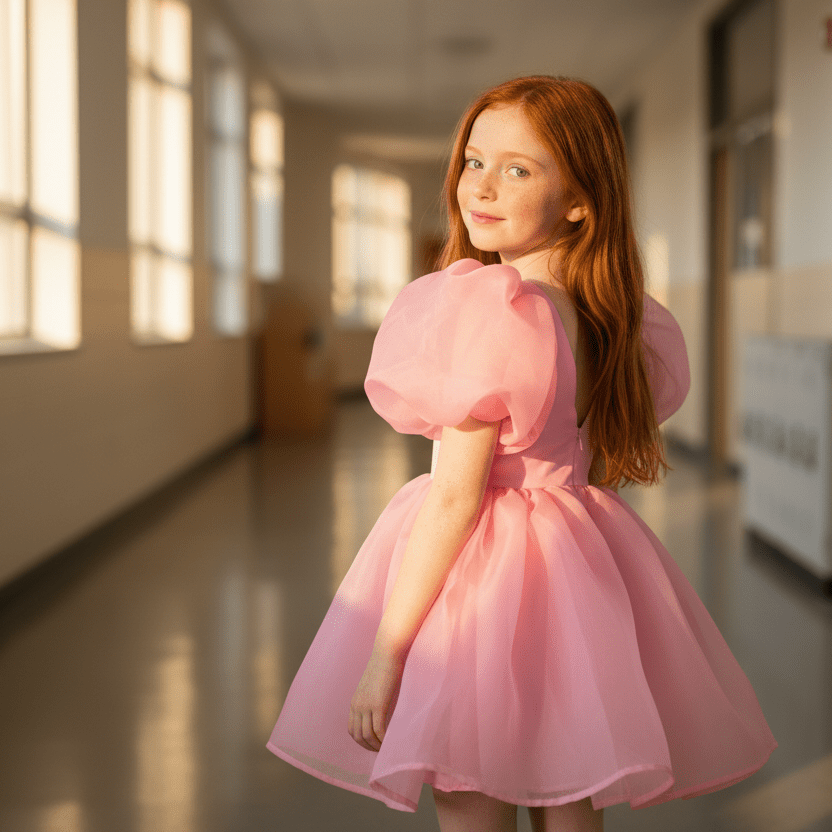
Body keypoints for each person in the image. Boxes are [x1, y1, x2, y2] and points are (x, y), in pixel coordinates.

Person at [267, 76, 777, 832]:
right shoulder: (609, 313)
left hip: (483, 580)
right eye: (475, 160)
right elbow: (590, 461)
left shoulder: (487, 308)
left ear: (581, 197)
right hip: (573, 567)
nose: (482, 187)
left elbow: (453, 499)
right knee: (569, 788)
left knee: (471, 786)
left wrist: (386, 656)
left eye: (519, 169)